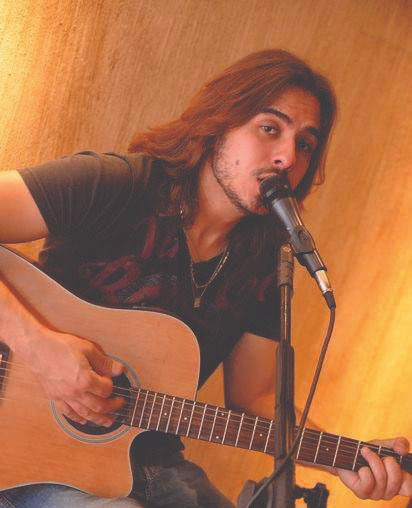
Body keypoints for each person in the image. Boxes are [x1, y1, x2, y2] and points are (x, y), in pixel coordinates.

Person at [0, 49, 410, 507]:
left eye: (305, 145)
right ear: (219, 123)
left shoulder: (266, 261)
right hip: (26, 459)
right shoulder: (117, 184)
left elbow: (256, 395)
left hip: (151, 465)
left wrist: (343, 458)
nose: (287, 157)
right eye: (270, 128)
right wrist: (38, 346)